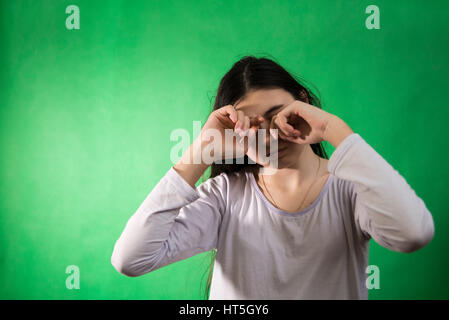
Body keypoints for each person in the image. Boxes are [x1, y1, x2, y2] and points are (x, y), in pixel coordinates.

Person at [111, 56, 435, 299]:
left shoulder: (349, 191)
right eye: (251, 125)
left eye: (278, 115)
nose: (269, 136)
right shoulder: (224, 197)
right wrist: (199, 152)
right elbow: (130, 259)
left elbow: (414, 233)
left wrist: (331, 129)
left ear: (304, 103)